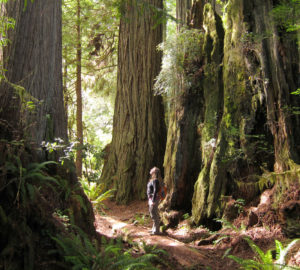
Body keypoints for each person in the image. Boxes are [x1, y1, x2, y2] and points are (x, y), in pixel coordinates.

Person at [147, 166, 162, 235]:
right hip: (151, 198)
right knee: (152, 213)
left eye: (152, 169)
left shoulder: (155, 180)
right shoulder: (152, 180)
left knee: (154, 213)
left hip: (154, 199)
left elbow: (155, 190)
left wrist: (153, 201)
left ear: (154, 172)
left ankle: (156, 231)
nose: (150, 169)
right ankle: (154, 229)